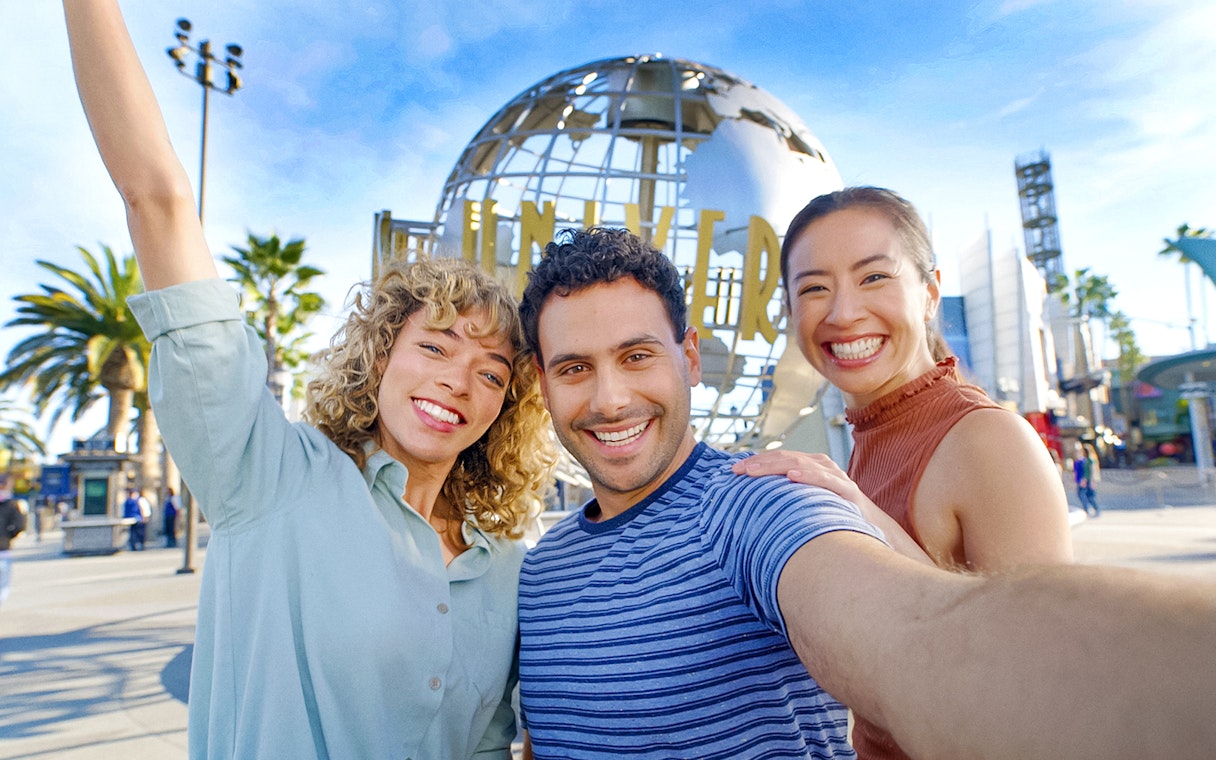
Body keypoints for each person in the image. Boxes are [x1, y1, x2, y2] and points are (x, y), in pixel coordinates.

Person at [516, 227, 1215, 760]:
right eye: (575, 368)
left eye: (637, 356)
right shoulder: (541, 571)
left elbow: (918, 633)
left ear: (690, 357)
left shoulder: (759, 503)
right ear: (543, 384)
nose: (609, 399)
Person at [63, 2, 555, 757]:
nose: (460, 380)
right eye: (435, 347)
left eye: (491, 372)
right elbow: (156, 200)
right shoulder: (269, 479)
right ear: (380, 355)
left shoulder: (507, 568)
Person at [733, 186, 1074, 759]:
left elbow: (1037, 684)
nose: (843, 313)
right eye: (813, 288)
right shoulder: (867, 440)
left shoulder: (988, 440)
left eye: (874, 278)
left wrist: (860, 514)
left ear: (930, 292)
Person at [0, 498, 28, 607]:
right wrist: (8, 536)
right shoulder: (11, 505)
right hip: (3, 550)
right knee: (3, 584)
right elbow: (19, 526)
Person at [1074, 441, 1101, 516]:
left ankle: (1094, 508)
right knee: (1087, 495)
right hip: (1086, 480)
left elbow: (1091, 471)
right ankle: (1089, 508)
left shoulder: (1090, 461)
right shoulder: (1084, 460)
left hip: (1088, 480)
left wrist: (1091, 481)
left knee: (1089, 495)